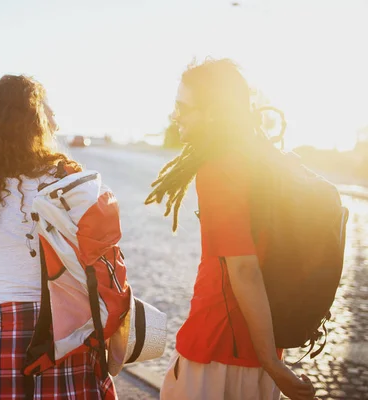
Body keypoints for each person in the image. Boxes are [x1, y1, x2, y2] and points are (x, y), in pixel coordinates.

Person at [0, 75, 117, 400]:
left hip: (2, 343)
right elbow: (102, 276)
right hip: (69, 338)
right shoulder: (73, 185)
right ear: (40, 124)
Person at [146, 59, 317, 400]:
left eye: (182, 106)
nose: (175, 115)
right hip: (256, 346)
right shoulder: (262, 159)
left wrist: (272, 362)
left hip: (217, 346)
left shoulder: (220, 167)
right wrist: (269, 358)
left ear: (212, 113)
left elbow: (243, 268)